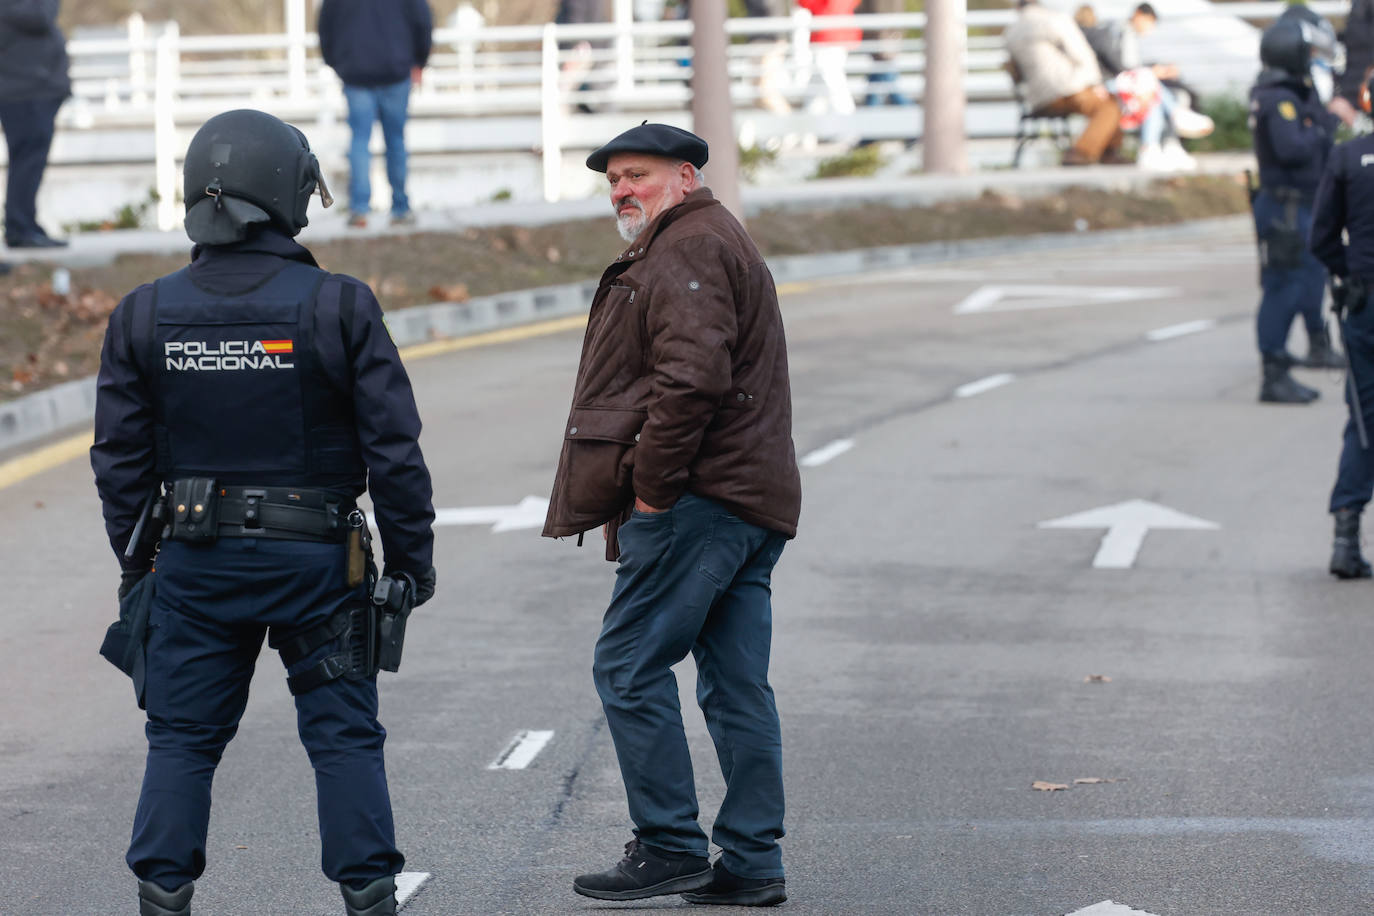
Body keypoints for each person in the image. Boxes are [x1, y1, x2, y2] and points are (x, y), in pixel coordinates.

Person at [90, 109, 437, 916]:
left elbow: (119, 463)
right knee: (343, 736)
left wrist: (137, 564)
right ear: (289, 194)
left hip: (194, 565)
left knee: (181, 738)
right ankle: (369, 896)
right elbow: (395, 450)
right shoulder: (339, 305)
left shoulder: (143, 314)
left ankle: (163, 894)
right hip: (318, 565)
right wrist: (413, 565)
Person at [542, 123, 801, 907]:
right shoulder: (706, 238)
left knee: (626, 664)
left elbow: (692, 381)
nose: (622, 189)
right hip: (746, 501)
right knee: (733, 685)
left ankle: (669, 845)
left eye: (639, 175)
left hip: (702, 503)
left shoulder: (688, 246)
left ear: (685, 177)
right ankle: (752, 863)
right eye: (614, 178)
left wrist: (653, 494)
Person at [1250, 16, 1344, 404]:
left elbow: (1321, 126)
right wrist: (1321, 127)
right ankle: (1274, 372)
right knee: (1283, 289)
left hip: (1305, 204)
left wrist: (1322, 120)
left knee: (1307, 283)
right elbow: (1295, 147)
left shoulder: (1294, 90)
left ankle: (1310, 347)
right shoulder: (1277, 97)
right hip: (1286, 208)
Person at [1310, 66, 1374, 577]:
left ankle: (1346, 535)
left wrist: (1347, 273)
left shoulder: (1348, 156)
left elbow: (1321, 238)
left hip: (1365, 303)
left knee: (1366, 420)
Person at [318, 0, 432, 229]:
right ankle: (401, 209)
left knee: (359, 142)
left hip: (356, 73)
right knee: (396, 142)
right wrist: (420, 61)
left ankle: (359, 210)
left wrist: (336, 63)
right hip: (396, 71)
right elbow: (423, 22)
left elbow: (325, 26)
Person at [1080, 3, 1214, 171]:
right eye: (1148, 22)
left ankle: (1159, 146)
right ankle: (1171, 126)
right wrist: (1152, 72)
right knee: (1150, 88)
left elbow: (1131, 67)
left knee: (1154, 94)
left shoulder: (1127, 34)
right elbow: (1122, 66)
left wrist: (1156, 70)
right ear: (1138, 15)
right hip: (1111, 84)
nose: (1149, 28)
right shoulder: (1117, 32)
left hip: (1126, 82)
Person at [1004, 0, 1123, 165]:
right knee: (1110, 104)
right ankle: (1082, 153)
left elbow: (1015, 72)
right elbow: (1083, 55)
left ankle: (1106, 153)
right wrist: (1096, 84)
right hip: (1066, 91)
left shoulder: (1011, 33)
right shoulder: (1053, 20)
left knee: (1106, 103)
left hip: (1036, 100)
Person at [0, 0, 70, 249]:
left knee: (30, 161)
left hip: (33, 89)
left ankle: (25, 224)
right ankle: (21, 227)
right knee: (27, 161)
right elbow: (41, 16)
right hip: (24, 92)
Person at [797, 0, 861, 116]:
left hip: (827, 36)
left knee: (834, 85)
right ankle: (808, 128)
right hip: (839, 34)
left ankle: (849, 128)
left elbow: (807, 2)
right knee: (817, 87)